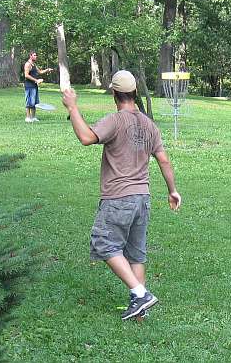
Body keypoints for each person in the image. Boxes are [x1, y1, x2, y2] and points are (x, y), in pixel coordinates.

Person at [61, 70, 182, 320]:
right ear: (135, 92)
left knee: (103, 242)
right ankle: (140, 310)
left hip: (118, 198)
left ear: (115, 94)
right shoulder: (150, 125)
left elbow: (86, 138)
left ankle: (141, 294)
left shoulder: (115, 121)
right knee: (135, 254)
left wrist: (72, 107)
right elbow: (164, 160)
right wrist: (172, 190)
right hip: (142, 198)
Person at [23, 51, 53, 123]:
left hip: (34, 86)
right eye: (34, 55)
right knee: (29, 102)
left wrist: (47, 70)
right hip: (29, 86)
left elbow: (40, 72)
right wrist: (36, 80)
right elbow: (26, 75)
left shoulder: (34, 64)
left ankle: (33, 117)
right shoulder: (28, 64)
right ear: (30, 56)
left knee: (35, 102)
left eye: (36, 55)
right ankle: (27, 117)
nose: (36, 56)